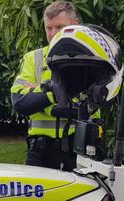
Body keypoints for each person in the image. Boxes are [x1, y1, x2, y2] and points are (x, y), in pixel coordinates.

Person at [11, 1, 86, 171]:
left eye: (60, 27)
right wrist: (54, 93)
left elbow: (88, 108)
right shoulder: (33, 58)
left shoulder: (90, 58)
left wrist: (40, 97)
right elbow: (20, 102)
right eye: (48, 28)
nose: (53, 34)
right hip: (39, 152)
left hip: (79, 151)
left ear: (75, 25)